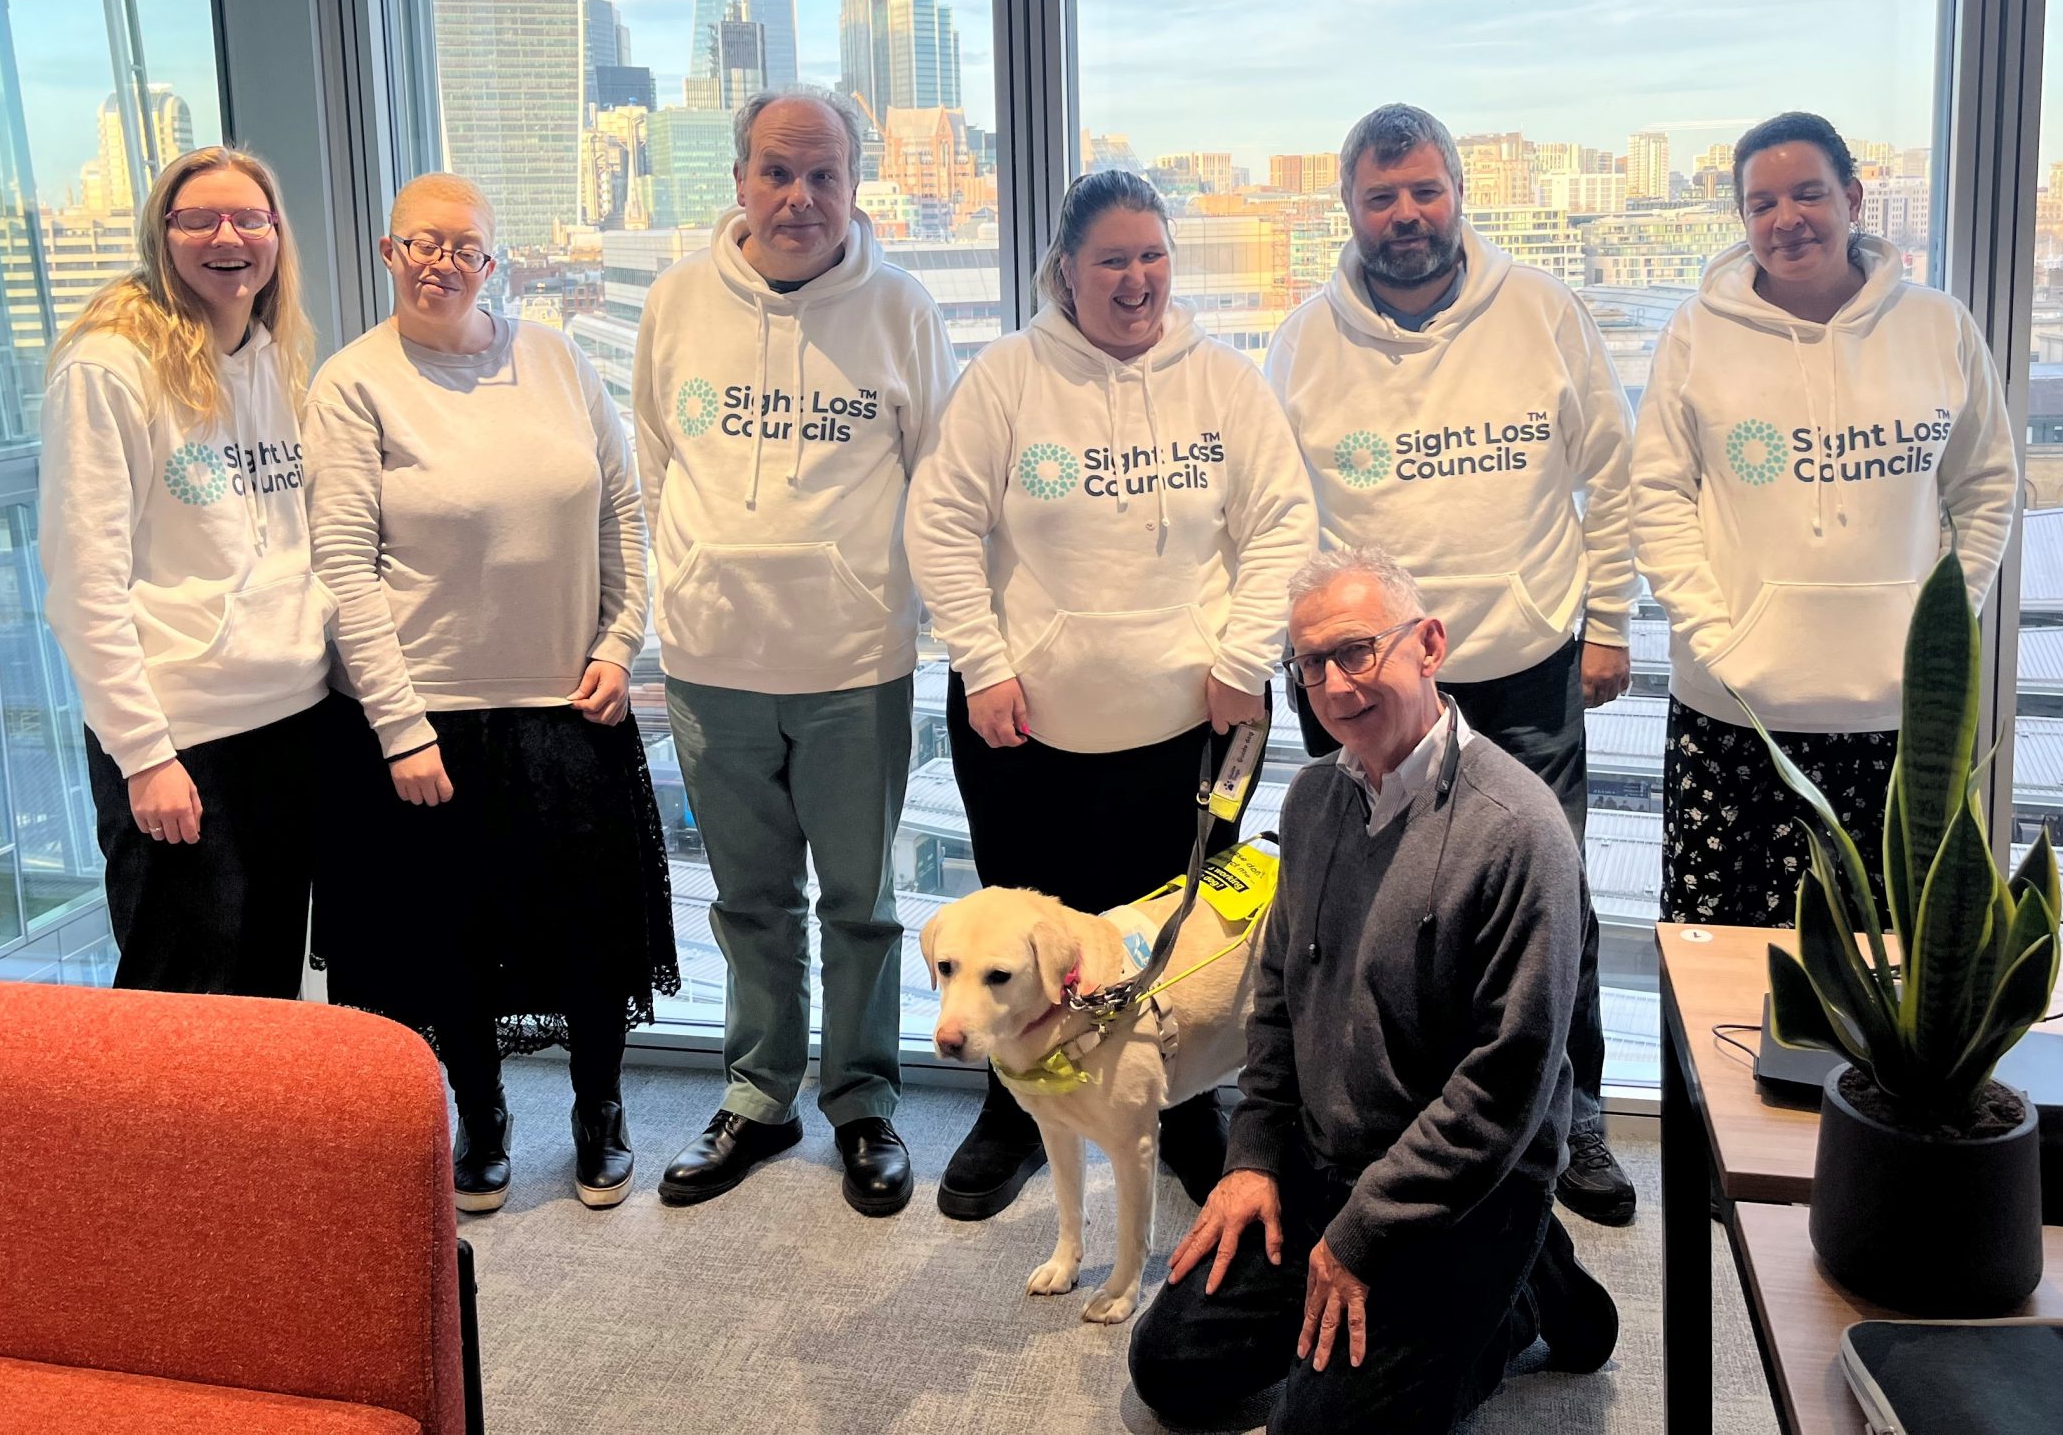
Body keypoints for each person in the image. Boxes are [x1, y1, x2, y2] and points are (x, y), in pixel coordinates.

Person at [906, 168, 1318, 1221]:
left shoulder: (1224, 382)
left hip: (1193, 723)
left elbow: (1282, 521)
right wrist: (982, 661)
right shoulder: (1005, 378)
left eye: (1152, 257)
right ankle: (1016, 1111)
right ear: (1065, 271)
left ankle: (1186, 1100)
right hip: (1023, 726)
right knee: (1020, 943)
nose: (1136, 280)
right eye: (1111, 261)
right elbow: (938, 523)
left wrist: (1244, 653)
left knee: (1175, 940)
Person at [1128, 547, 1617, 1434]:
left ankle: (1517, 1296)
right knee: (1170, 1366)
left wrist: (1360, 1237)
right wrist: (1252, 1155)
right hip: (1324, 1158)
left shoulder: (1520, 832)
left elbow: (1505, 1087)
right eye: (1309, 664)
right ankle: (1492, 1290)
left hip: (1466, 1186)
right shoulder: (1311, 800)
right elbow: (1277, 1001)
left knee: (1316, 1429)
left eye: (1356, 651)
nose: (1333, 685)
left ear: (1428, 645)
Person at [1266, 101, 1639, 1228]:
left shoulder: (1544, 312)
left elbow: (1613, 473)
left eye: (1425, 190)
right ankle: (1379, 1115)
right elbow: (1277, 515)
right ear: (1348, 208)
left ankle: (1570, 1115)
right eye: (1381, 196)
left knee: (1551, 902)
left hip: (1521, 660)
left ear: (1459, 195)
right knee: (1365, 905)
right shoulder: (1302, 343)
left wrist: (1609, 620)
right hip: (1364, 678)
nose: (1406, 214)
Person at [306, 172, 677, 1214]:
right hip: (429, 723)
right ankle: (483, 1116)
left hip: (570, 705)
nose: (442, 262)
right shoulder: (354, 382)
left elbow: (621, 510)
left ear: (493, 263)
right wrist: (399, 728)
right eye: (421, 243)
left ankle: (599, 1112)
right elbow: (344, 568)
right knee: (453, 940)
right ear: (389, 252)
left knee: (592, 935)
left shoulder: (556, 360)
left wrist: (621, 641)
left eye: (463, 246)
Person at [631, 87, 956, 1216]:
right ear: (739, 181)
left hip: (853, 662)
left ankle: (863, 1101)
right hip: (712, 660)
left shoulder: (902, 310)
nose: (799, 197)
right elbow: (656, 464)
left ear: (854, 186)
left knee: (860, 902)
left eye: (824, 174)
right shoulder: (675, 302)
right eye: (777, 171)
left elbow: (939, 483)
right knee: (749, 900)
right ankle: (758, 1095)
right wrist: (683, 589)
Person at [1631, 110, 2017, 926]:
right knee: (1718, 962)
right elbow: (1658, 496)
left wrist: (1944, 621)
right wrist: (1716, 638)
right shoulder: (1695, 334)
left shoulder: (1938, 327)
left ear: (1853, 198)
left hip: (1898, 714)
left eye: (1807, 194)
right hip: (1734, 716)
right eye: (1761, 204)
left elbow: (1986, 485)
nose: (1786, 220)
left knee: (1891, 961)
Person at [39, 144, 344, 997]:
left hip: (291, 720)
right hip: (182, 737)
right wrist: (143, 756)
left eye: (249, 219)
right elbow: (82, 584)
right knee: (182, 1008)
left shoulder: (275, 356)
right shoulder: (108, 368)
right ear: (161, 235)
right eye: (199, 220)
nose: (227, 238)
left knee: (267, 993)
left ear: (276, 234)